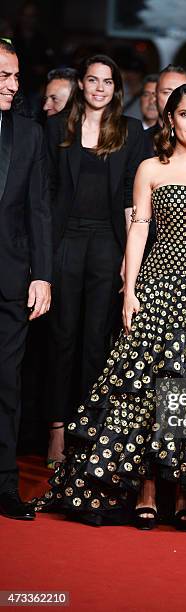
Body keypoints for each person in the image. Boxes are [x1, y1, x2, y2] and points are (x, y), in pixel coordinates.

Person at [33, 83, 186, 531]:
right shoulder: (149, 168)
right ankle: (147, 490)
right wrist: (131, 286)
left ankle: (185, 492)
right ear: (170, 119)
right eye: (185, 114)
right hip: (158, 289)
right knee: (144, 394)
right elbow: (138, 229)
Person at [45, 54, 145, 469]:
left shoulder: (130, 131)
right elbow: (47, 195)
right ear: (81, 85)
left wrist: (129, 261)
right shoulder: (55, 129)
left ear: (115, 88)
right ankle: (55, 432)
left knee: (95, 343)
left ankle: (85, 434)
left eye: (107, 81)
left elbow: (130, 200)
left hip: (108, 244)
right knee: (60, 340)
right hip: (65, 243)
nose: (100, 88)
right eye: (92, 80)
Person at [0, 38, 52, 520]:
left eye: (16, 77)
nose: (12, 86)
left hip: (11, 279)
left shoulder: (29, 133)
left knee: (6, 386)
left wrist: (42, 275)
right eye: (3, 76)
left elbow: (38, 209)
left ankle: (4, 485)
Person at [144, 65, 186, 156]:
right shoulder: (139, 141)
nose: (175, 98)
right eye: (167, 92)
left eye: (183, 92)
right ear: (155, 97)